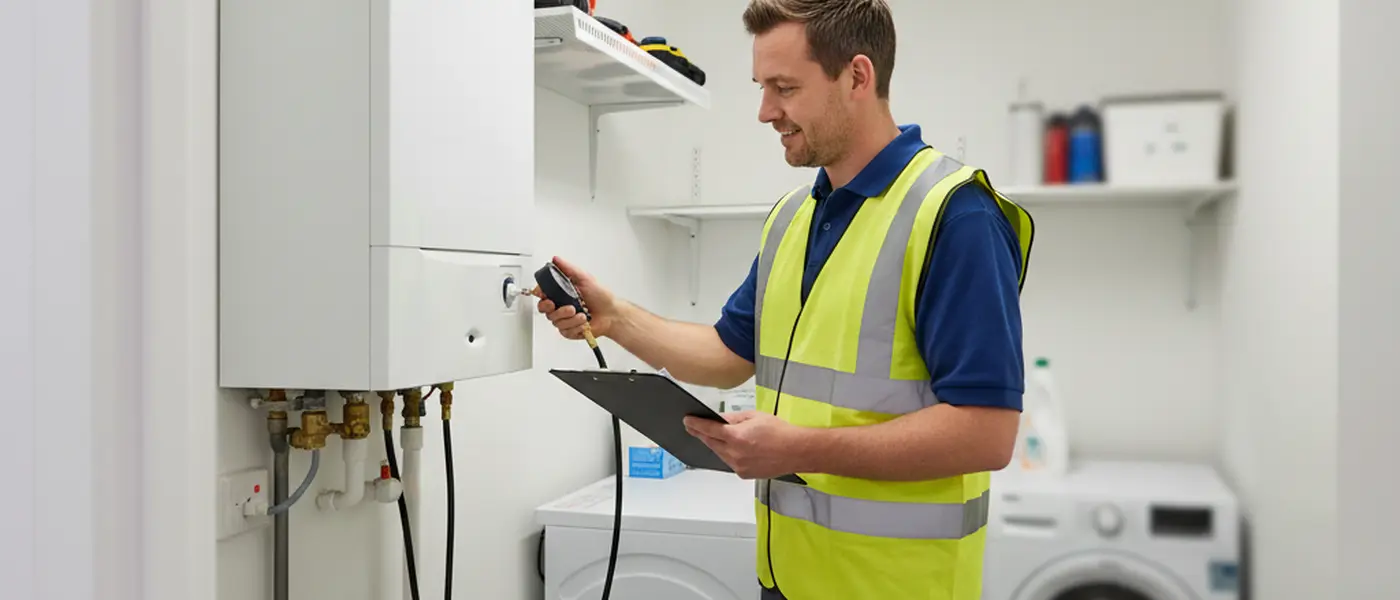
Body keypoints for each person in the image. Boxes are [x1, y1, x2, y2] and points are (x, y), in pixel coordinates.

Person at [535, 0, 1035, 598]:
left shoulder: (957, 215)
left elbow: (986, 434)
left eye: (785, 87)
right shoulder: (794, 216)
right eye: (762, 87)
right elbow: (727, 354)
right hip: (789, 580)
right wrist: (615, 317)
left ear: (856, 76)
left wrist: (799, 448)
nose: (765, 111)